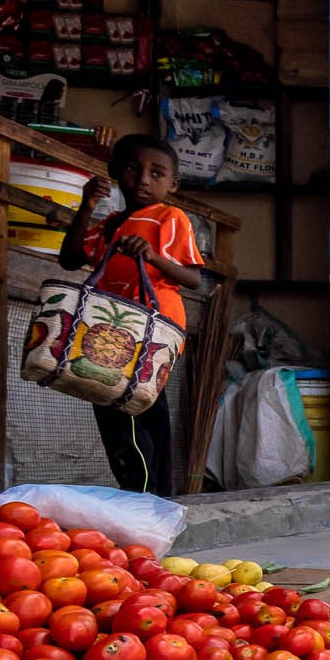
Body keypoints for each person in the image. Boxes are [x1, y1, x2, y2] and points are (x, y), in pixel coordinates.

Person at [56, 133, 206, 497]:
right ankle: (147, 492)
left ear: (173, 184)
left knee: (133, 409)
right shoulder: (110, 224)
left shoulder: (170, 217)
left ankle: (147, 493)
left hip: (152, 329)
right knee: (121, 410)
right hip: (111, 329)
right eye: (132, 169)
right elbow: (71, 258)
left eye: (157, 173)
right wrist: (86, 206)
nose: (143, 179)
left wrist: (151, 256)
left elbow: (193, 279)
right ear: (115, 173)